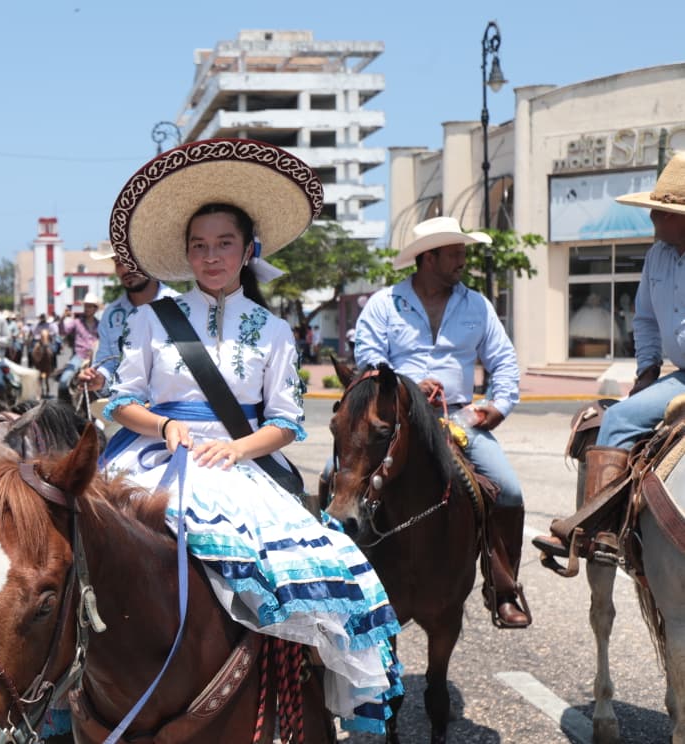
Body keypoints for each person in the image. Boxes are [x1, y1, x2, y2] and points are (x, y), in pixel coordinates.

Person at [101, 139, 402, 734]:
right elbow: (120, 403)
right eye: (199, 246)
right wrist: (166, 426)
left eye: (224, 244)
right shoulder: (146, 319)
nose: (210, 257)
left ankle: (300, 685)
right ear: (185, 254)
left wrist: (237, 449)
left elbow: (286, 423)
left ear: (247, 251)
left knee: (324, 565)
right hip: (153, 456)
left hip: (241, 464)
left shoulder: (274, 330)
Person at [352, 215, 530, 628]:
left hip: (462, 420)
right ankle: (341, 583)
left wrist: (497, 406)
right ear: (427, 258)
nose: (463, 261)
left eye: (463, 253)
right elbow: (367, 362)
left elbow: (504, 362)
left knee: (510, 492)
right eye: (455, 253)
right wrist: (409, 386)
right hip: (395, 421)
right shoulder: (384, 304)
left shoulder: (477, 305)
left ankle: (502, 587)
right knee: (334, 477)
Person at [535, 153, 685, 563]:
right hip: (681, 376)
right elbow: (647, 319)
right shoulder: (657, 256)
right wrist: (648, 370)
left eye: (663, 210)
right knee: (617, 418)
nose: (654, 217)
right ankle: (600, 531)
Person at [77, 251, 178, 394]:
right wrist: (99, 378)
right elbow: (107, 363)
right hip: (125, 407)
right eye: (118, 262)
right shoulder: (111, 315)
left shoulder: (181, 306)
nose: (125, 269)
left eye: (131, 259)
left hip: (174, 406)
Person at [58, 292, 100, 400]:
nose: (87, 308)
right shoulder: (76, 322)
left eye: (90, 306)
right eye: (86, 306)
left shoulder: (100, 324)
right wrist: (62, 318)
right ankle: (63, 409)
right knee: (63, 381)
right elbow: (63, 332)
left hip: (96, 359)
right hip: (80, 356)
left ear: (95, 309)